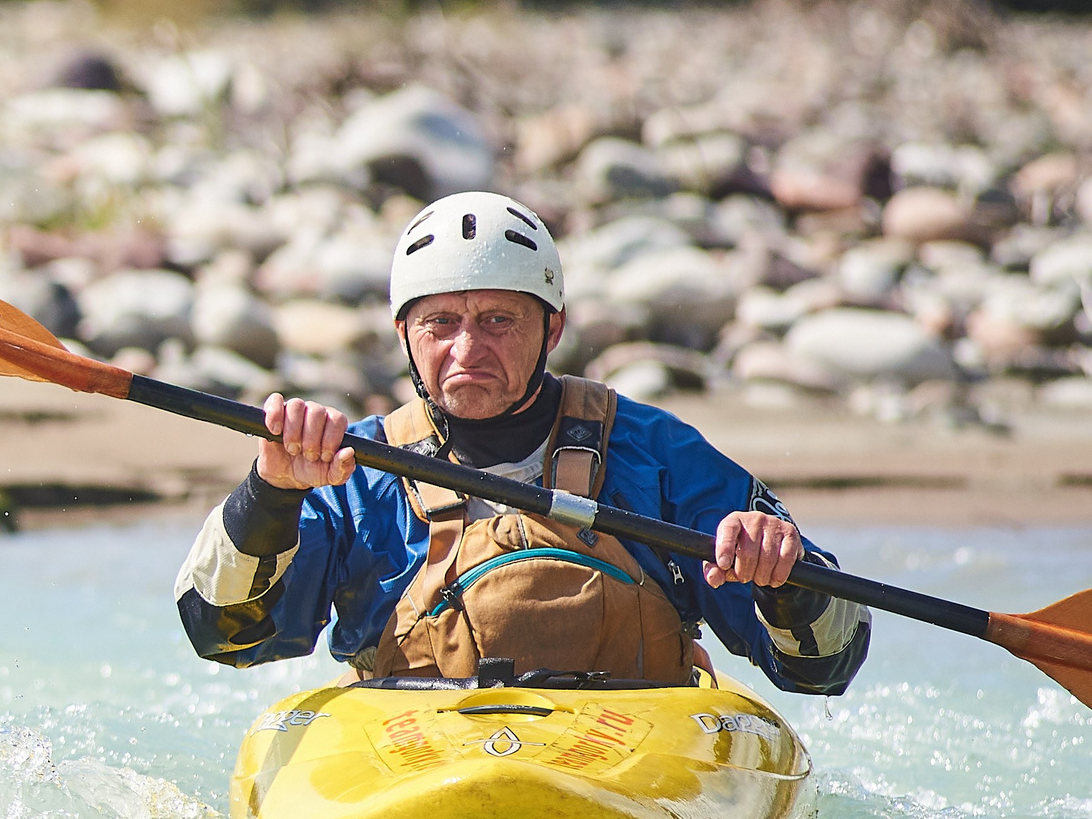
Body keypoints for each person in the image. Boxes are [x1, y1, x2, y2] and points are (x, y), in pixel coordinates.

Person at [173, 190, 869, 692]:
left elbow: (825, 664)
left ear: (554, 329)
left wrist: (787, 577)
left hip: (630, 757)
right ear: (403, 337)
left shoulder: (654, 453)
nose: (467, 348)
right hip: (418, 758)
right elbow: (222, 633)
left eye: (499, 319)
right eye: (440, 322)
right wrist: (270, 494)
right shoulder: (352, 469)